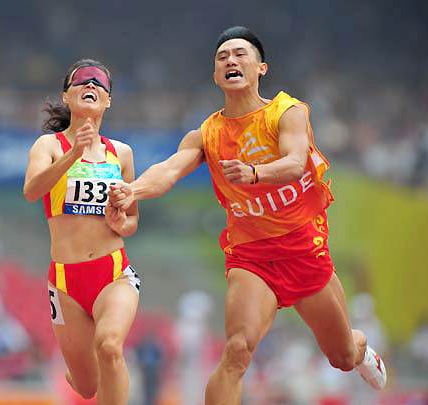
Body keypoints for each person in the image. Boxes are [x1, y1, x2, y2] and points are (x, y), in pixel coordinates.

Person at [108, 27, 387, 404]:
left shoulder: (287, 112)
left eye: (240, 54)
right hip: (251, 257)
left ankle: (361, 346)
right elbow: (170, 169)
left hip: (304, 251)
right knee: (238, 349)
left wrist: (254, 173)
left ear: (261, 68)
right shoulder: (208, 132)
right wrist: (133, 190)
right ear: (215, 76)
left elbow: (293, 162)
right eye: (222, 57)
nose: (230, 61)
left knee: (340, 357)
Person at [23, 59, 141, 405]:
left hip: (113, 273)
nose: (91, 85)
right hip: (65, 282)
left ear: (108, 101)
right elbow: (32, 191)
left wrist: (123, 223)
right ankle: (79, 370)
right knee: (88, 386)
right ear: (66, 95)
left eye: (100, 84)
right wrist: (73, 153)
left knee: (109, 345)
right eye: (82, 81)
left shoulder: (121, 153)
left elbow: (132, 220)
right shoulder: (48, 147)